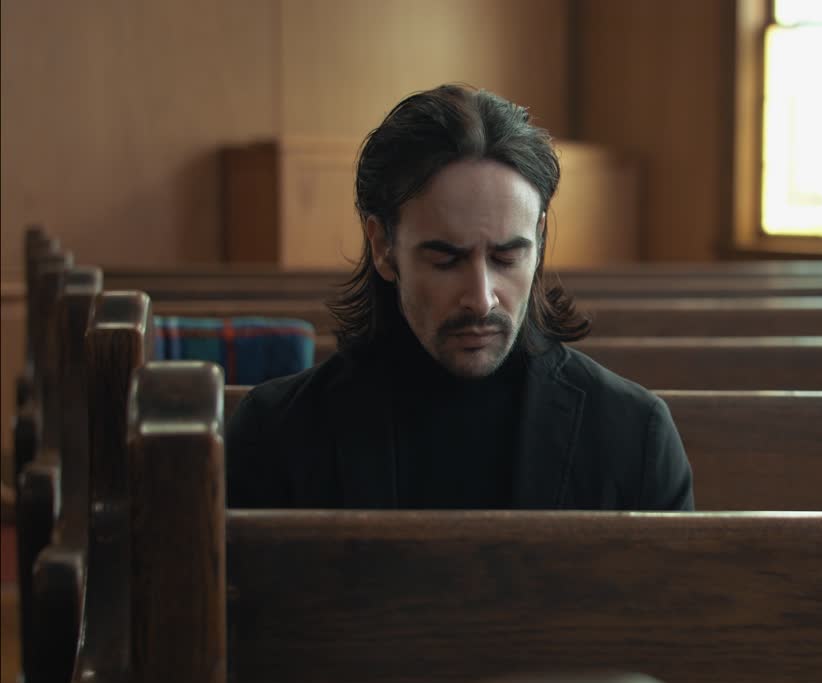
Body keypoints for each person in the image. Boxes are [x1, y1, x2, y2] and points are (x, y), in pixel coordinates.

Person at [226, 84, 693, 510]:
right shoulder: (275, 434)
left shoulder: (635, 435)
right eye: (446, 259)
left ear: (540, 239)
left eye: (507, 257)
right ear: (383, 247)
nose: (481, 299)